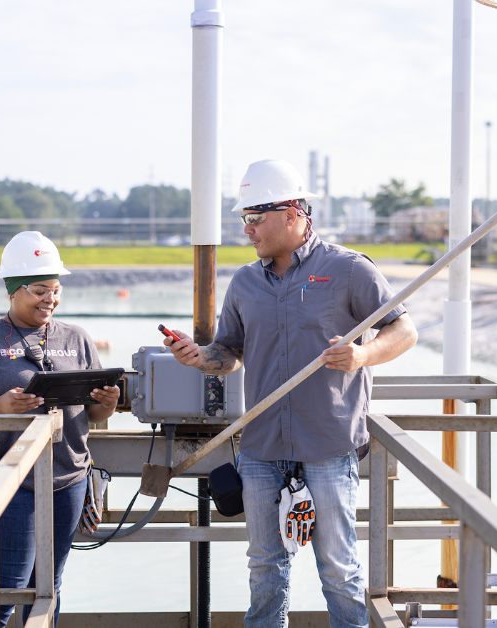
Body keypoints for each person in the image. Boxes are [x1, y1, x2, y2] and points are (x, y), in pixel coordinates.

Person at [164, 159, 418, 628]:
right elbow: (230, 352)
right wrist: (200, 357)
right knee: (265, 568)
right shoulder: (244, 282)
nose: (248, 230)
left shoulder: (349, 270)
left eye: (255, 218)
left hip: (329, 444)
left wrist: (363, 356)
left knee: (339, 570)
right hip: (261, 448)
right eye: (244, 219)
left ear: (292, 213)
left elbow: (403, 330)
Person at [0, 231, 119, 627]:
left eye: (55, 290)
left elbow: (91, 417)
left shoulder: (77, 338)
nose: (50, 300)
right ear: (12, 290)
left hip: (69, 478)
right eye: (40, 290)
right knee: (5, 590)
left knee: (49, 586)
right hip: (12, 481)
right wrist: (0, 406)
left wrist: (104, 405)